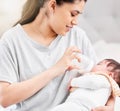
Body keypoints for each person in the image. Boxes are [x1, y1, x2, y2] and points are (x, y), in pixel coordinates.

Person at [49, 59, 120, 111]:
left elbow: (92, 82)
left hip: (80, 105)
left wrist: (74, 81)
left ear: (110, 74)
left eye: (99, 64)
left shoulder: (104, 78)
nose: (95, 65)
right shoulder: (109, 90)